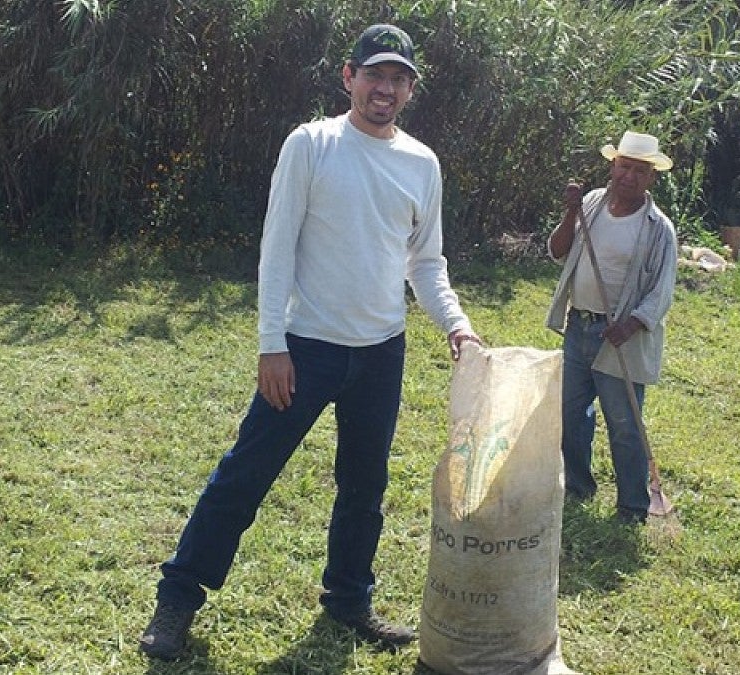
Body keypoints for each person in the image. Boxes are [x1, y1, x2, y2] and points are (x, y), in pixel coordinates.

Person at [138, 23, 482, 661]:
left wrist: (455, 325)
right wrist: (273, 345)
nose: (385, 88)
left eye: (398, 78)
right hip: (305, 348)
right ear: (348, 78)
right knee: (245, 475)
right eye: (374, 74)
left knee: (364, 486)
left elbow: (425, 264)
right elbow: (277, 246)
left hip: (382, 352)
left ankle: (349, 600)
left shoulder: (421, 162)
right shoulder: (312, 145)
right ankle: (178, 598)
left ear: (410, 88)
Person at [544, 130, 677, 524]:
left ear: (651, 177)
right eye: (624, 167)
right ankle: (578, 487)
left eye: (639, 171)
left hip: (622, 337)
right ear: (612, 166)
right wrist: (570, 212)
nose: (629, 177)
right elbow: (557, 251)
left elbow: (661, 292)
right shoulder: (590, 205)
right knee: (572, 415)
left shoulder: (657, 228)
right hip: (579, 326)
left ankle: (633, 505)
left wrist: (630, 324)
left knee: (624, 423)